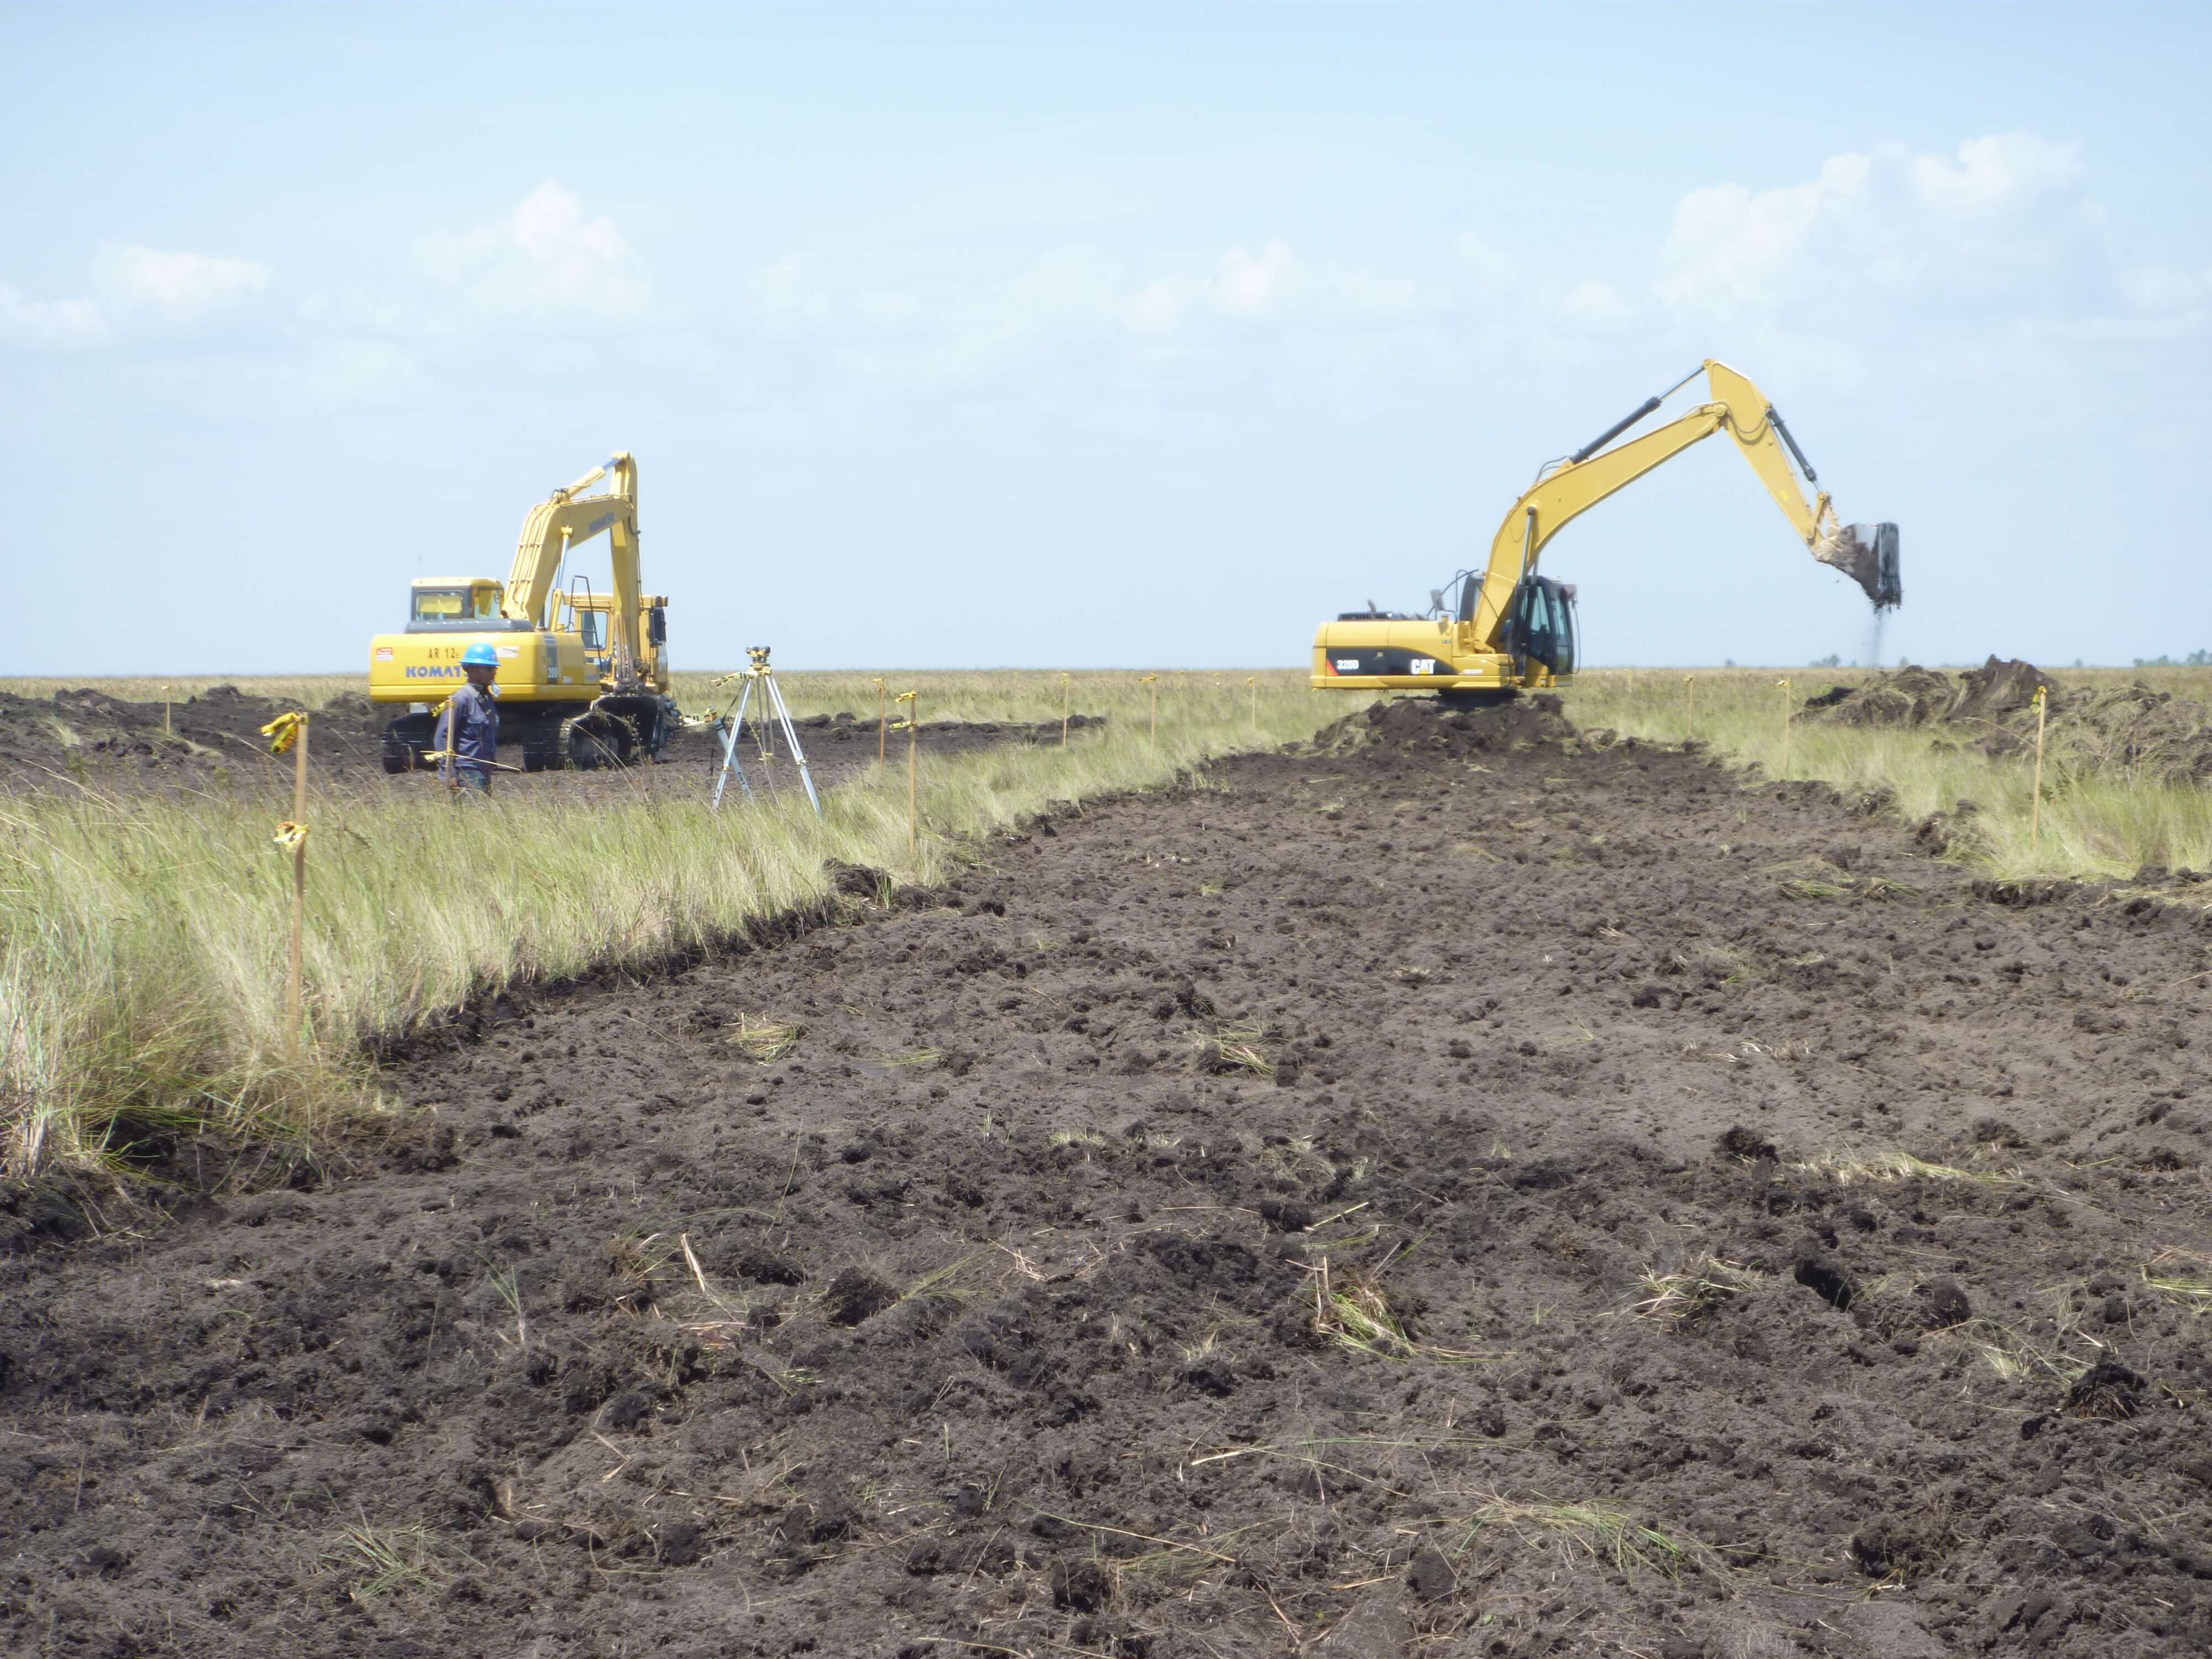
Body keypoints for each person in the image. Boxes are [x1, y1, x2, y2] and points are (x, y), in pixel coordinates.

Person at [436, 643, 501, 793]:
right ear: (473, 670)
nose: (494, 673)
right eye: (490, 669)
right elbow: (442, 738)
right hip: (466, 772)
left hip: (484, 770)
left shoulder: (487, 699)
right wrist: (450, 773)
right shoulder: (460, 699)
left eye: (495, 668)